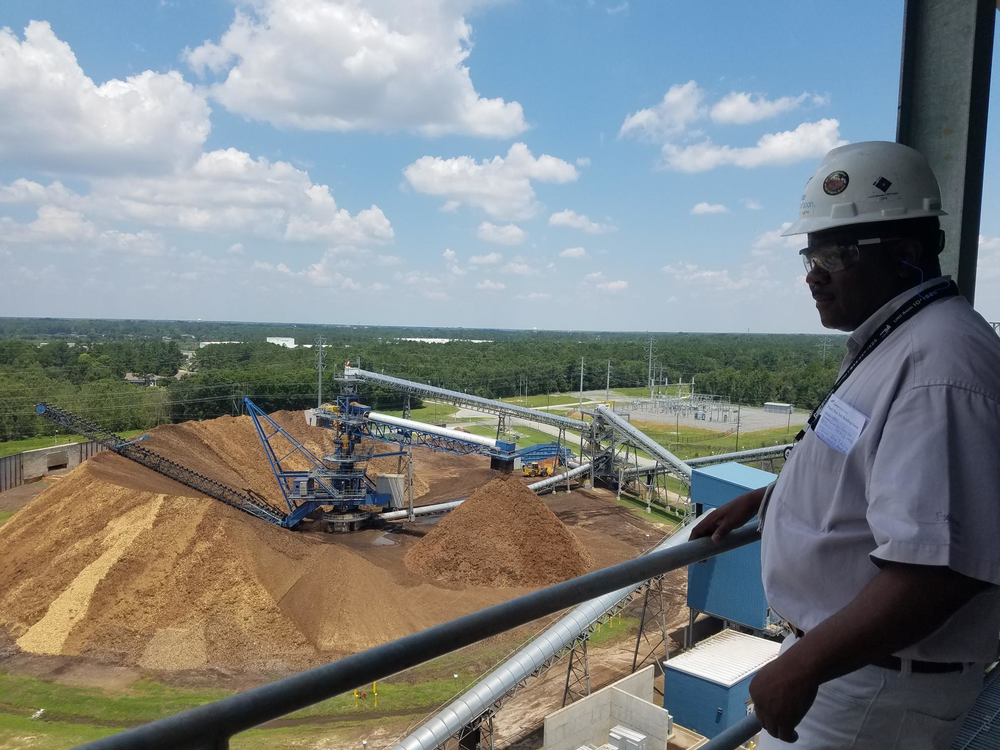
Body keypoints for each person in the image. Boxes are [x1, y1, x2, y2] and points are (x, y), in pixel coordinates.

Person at [691, 141, 1000, 749]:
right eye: (811, 253)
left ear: (909, 253)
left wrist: (804, 666)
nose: (813, 273)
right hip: (855, 672)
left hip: (867, 691)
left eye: (835, 253)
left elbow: (936, 570)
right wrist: (771, 498)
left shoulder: (939, 367)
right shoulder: (901, 342)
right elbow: (863, 464)